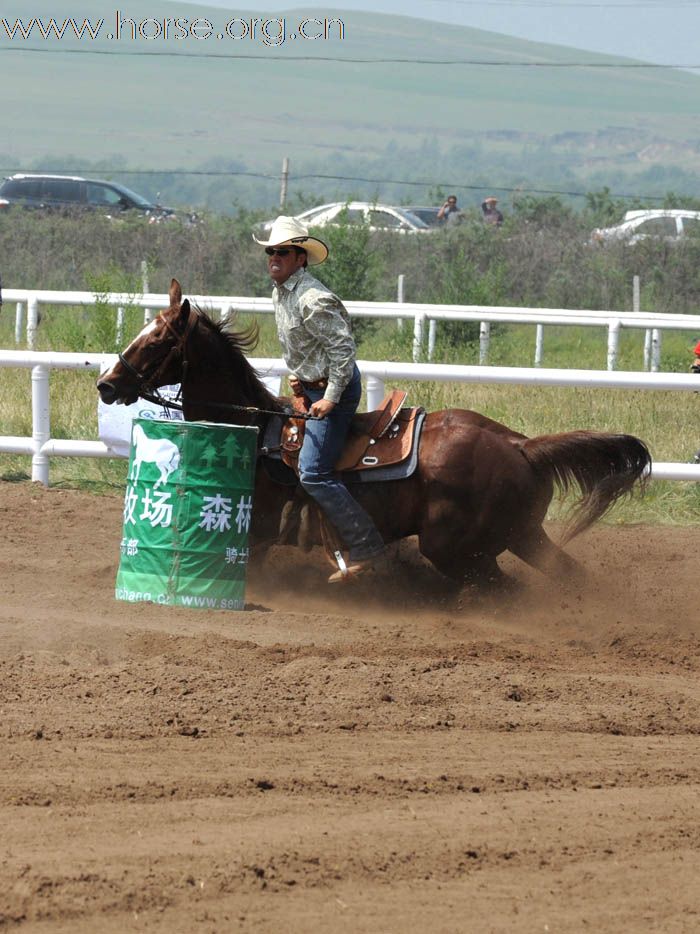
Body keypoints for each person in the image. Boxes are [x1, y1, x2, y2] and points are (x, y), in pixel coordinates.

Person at [253, 216, 385, 583]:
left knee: (313, 472)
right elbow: (307, 346)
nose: (274, 257)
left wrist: (329, 398)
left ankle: (365, 545)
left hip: (334, 391)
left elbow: (343, 353)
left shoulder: (313, 298)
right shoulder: (281, 293)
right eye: (271, 252)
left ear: (301, 258)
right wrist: (300, 373)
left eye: (283, 252)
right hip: (310, 386)